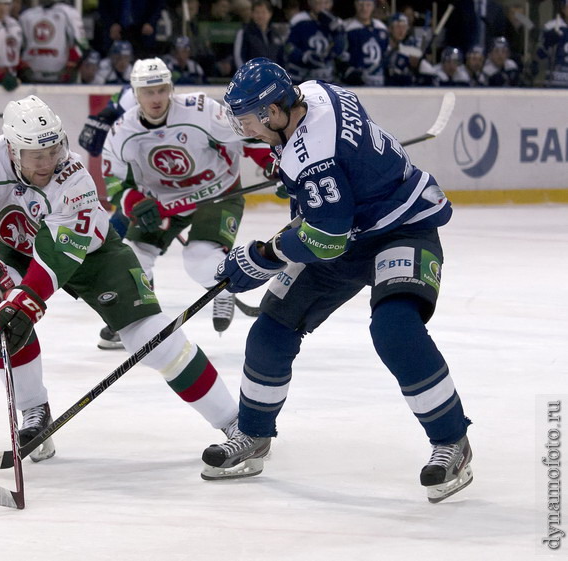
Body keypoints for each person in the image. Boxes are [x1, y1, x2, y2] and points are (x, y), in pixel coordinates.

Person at [201, 58, 473, 504]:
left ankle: (452, 441)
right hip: (350, 225)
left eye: (249, 118)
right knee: (271, 328)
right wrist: (301, 183)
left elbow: (326, 240)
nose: (244, 127)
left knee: (395, 328)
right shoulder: (315, 92)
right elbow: (328, 173)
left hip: (400, 227)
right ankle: (252, 434)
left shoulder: (314, 157)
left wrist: (263, 256)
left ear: (273, 112)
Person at [0, 95, 239, 462]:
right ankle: (34, 415)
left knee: (153, 337)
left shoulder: (74, 180)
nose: (48, 162)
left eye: (54, 150)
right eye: (36, 155)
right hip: (14, 250)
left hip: (93, 254)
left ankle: (236, 422)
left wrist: (25, 302)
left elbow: (57, 257)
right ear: (11, 149)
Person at [101, 57, 273, 340]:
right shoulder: (123, 132)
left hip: (216, 193)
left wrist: (271, 162)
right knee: (131, 256)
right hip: (164, 202)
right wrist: (134, 202)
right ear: (134, 93)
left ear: (171, 88)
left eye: (161, 90)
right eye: (147, 91)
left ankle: (222, 285)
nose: (156, 98)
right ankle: (139, 321)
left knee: (199, 259)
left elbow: (245, 135)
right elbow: (115, 181)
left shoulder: (200, 110)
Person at [18, 0, 89, 84]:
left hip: (60, 80)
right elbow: (16, 48)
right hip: (29, 79)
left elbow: (82, 47)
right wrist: (22, 68)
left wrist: (71, 68)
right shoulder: (26, 16)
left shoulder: (69, 14)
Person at [285, 0, 345, 82]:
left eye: (326, 3)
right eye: (318, 3)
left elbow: (341, 49)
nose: (322, 7)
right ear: (310, 3)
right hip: (301, 78)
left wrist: (339, 33)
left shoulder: (336, 22)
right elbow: (288, 46)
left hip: (327, 77)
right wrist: (304, 57)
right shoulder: (299, 20)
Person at [340, 0, 389, 86]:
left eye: (368, 4)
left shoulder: (382, 28)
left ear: (373, 6)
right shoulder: (346, 27)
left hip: (379, 83)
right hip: (355, 85)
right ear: (355, 5)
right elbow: (340, 58)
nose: (364, 8)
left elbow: (385, 55)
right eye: (360, 4)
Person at [537, 0, 568, 88]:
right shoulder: (551, 26)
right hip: (556, 80)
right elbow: (539, 55)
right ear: (563, 9)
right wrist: (547, 43)